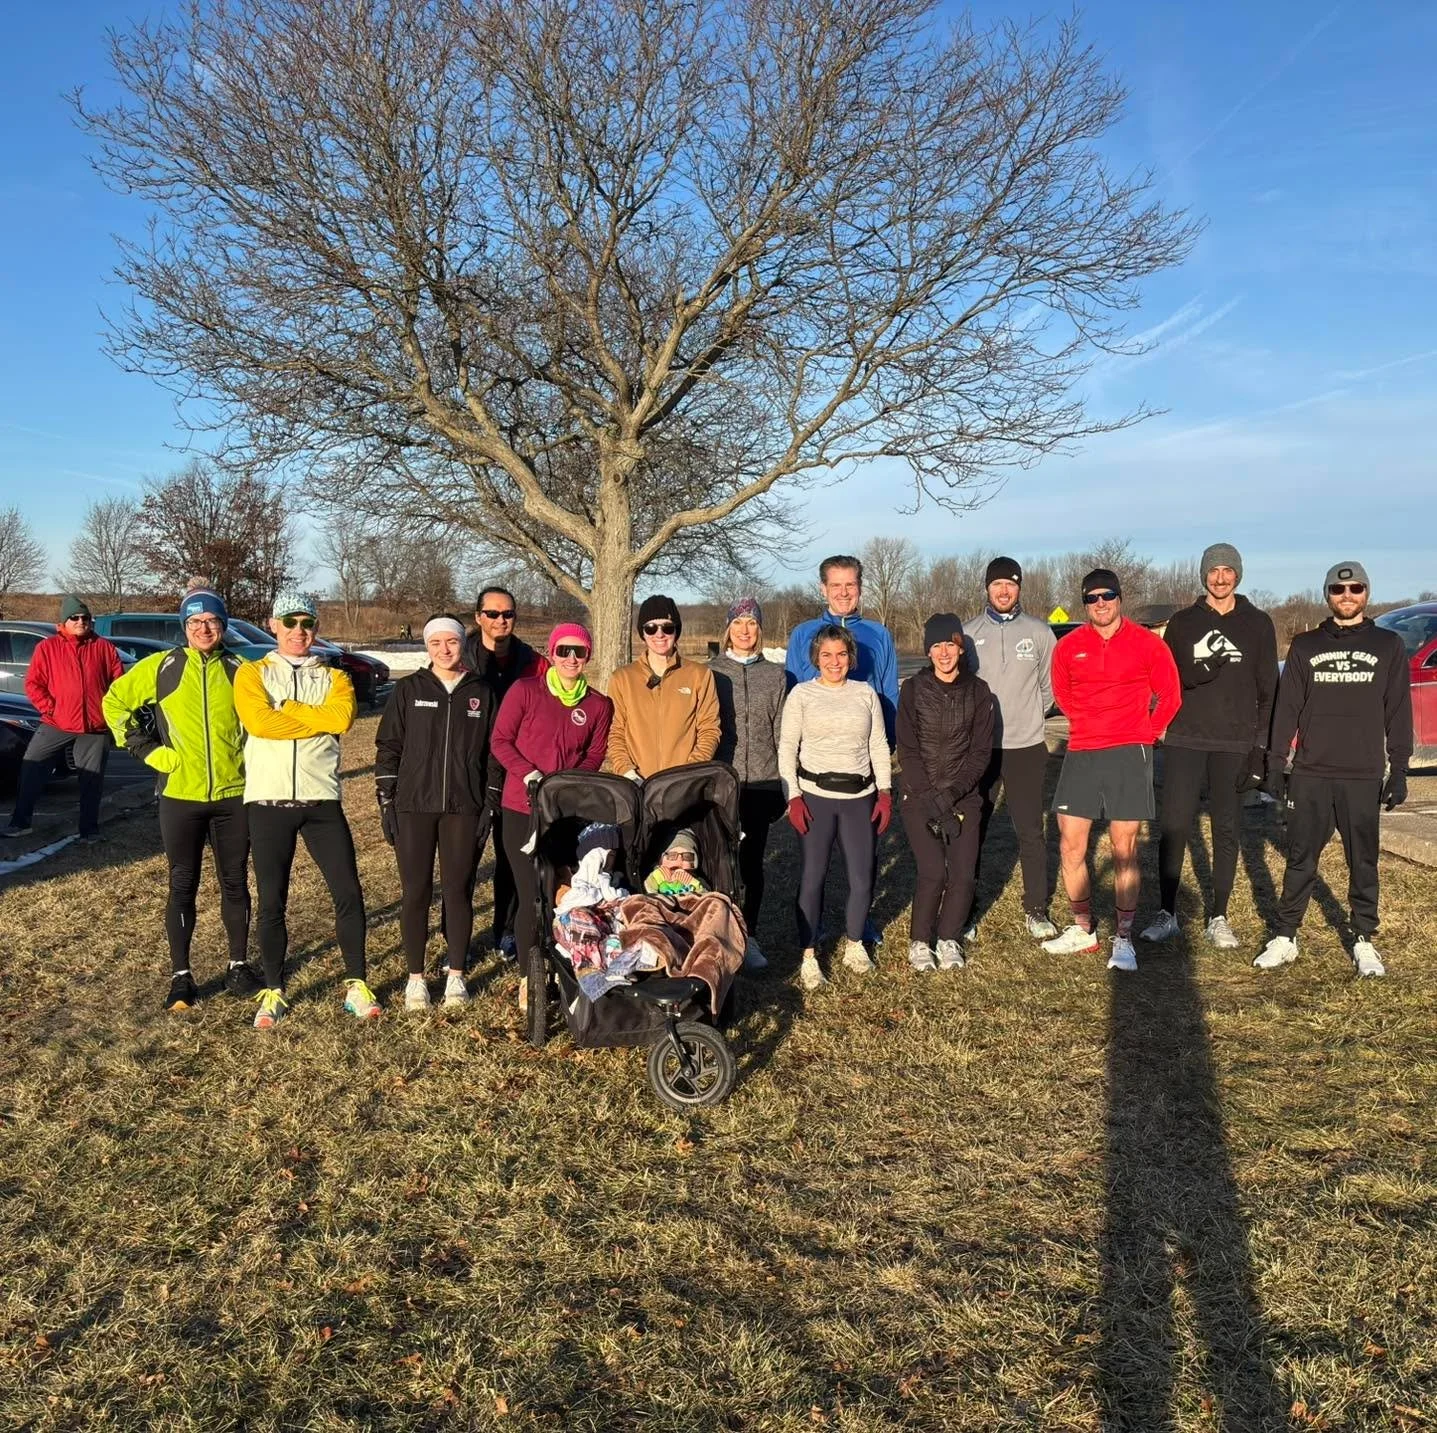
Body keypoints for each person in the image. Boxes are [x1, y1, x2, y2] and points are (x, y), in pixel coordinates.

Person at [102, 587, 259, 1010]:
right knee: (182, 884)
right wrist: (148, 750)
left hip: (233, 794)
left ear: (222, 626)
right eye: (194, 622)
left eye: (211, 622)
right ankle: (181, 976)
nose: (203, 629)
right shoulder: (162, 667)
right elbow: (114, 703)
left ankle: (238, 965)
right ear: (184, 628)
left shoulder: (240, 668)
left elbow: (265, 718)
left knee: (235, 881)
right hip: (180, 794)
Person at [1255, 561, 1412, 978]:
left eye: (1356, 589)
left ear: (1366, 593)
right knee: (1302, 856)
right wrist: (1275, 765)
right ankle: (1286, 935)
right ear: (1327, 595)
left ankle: (1363, 938)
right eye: (1339, 590)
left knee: (1363, 860)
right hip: (1311, 772)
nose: (1348, 596)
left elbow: (1398, 710)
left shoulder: (1388, 645)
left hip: (1362, 773)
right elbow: (1286, 711)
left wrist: (1399, 769)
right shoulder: (1305, 646)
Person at [233, 592, 380, 1028]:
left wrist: (289, 709)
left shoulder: (335, 676)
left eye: (308, 623)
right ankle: (274, 990)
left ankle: (356, 984)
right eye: (290, 621)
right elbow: (259, 723)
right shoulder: (251, 673)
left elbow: (340, 720)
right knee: (272, 899)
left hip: (321, 800)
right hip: (268, 800)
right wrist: (312, 716)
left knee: (348, 893)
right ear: (273, 624)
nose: (300, 631)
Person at [1042, 569, 1181, 972]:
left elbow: (1170, 695)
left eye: (1107, 595)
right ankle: (1083, 928)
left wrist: (1147, 733)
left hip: (1128, 751)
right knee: (1070, 842)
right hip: (1082, 749)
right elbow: (1064, 694)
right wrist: (1088, 723)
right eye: (1092, 598)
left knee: (1125, 847)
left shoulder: (1144, 643)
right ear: (1085, 604)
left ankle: (1123, 938)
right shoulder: (1069, 646)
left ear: (1119, 598)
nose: (1100, 603)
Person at [1142, 544, 1278, 950]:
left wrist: (1259, 749)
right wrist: (1195, 672)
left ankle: (1218, 916)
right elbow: (1165, 680)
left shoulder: (1258, 624)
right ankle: (1167, 913)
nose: (1220, 578)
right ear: (1203, 576)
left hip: (1234, 743)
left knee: (1226, 828)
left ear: (1238, 575)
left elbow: (1268, 692)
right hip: (1185, 738)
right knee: (1174, 825)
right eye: (1213, 571)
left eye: (1227, 571)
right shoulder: (1183, 622)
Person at [376, 615, 493, 1012]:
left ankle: (456, 975)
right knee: (416, 893)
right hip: (414, 807)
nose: (445, 650)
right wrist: (386, 800)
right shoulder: (408, 690)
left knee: (458, 891)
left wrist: (489, 803)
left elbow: (494, 755)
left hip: (464, 807)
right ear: (426, 647)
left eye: (452, 642)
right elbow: (389, 746)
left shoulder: (482, 692)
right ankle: (415, 979)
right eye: (436, 643)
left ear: (463, 644)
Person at [784, 555, 900, 946]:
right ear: (823, 589)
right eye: (836, 585)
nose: (844, 592)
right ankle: (810, 935)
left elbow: (888, 694)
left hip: (863, 764)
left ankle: (859, 924)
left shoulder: (878, 634)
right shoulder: (803, 634)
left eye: (850, 585)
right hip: (817, 767)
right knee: (814, 866)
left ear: (860, 587)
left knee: (863, 860)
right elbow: (796, 694)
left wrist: (883, 761)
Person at [489, 622, 614, 983]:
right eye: (564, 651)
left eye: (579, 651)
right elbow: (501, 740)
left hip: (564, 811)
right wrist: (527, 772)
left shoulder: (598, 704)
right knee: (532, 891)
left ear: (587, 655)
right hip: (522, 807)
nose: (571, 658)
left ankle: (564, 960)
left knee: (562, 889)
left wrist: (570, 783)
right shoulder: (526, 691)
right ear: (552, 653)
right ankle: (531, 975)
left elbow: (594, 754)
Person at [779, 623, 892, 991]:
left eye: (841, 654)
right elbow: (787, 749)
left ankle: (855, 943)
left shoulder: (864, 694)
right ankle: (810, 954)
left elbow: (878, 745)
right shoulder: (801, 695)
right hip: (815, 797)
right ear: (816, 658)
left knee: (862, 878)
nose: (834, 661)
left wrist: (885, 792)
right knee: (813, 878)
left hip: (859, 797)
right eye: (826, 655)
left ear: (851, 658)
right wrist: (793, 795)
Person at [962, 557, 1058, 941]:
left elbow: (1050, 688)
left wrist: (1031, 715)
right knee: (973, 831)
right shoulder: (968, 633)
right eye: (997, 584)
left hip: (1026, 747)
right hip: (981, 749)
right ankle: (965, 908)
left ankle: (1036, 909)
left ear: (1020, 588)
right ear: (986, 588)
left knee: (1031, 831)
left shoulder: (1038, 631)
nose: (1004, 591)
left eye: (1011, 584)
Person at [898, 613, 995, 973]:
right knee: (934, 871)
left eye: (950, 645)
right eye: (936, 645)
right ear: (928, 651)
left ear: (960, 648)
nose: (943, 653)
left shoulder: (979, 692)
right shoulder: (912, 689)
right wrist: (932, 801)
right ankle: (921, 941)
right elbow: (906, 750)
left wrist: (953, 794)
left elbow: (980, 753)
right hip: (919, 795)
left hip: (963, 796)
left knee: (963, 874)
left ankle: (948, 936)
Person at [462, 585, 547, 958]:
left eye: (508, 614)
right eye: (493, 614)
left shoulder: (531, 662)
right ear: (478, 616)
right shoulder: (459, 656)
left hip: (513, 769)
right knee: (462, 858)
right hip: (467, 768)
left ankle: (507, 929)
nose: (501, 620)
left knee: (511, 858)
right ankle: (457, 937)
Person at [2, 595, 122, 842]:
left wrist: (108, 714)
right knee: (32, 766)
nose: (81, 622)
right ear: (64, 621)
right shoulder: (47, 648)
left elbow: (118, 686)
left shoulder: (104, 648)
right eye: (75, 618)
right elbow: (34, 684)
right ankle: (21, 822)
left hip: (94, 727)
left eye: (85, 618)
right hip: (56, 723)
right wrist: (50, 708)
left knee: (91, 779)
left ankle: (89, 831)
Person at [709, 596, 785, 970]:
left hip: (763, 782)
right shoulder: (711, 673)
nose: (744, 630)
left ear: (759, 629)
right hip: (722, 782)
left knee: (753, 864)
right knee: (722, 862)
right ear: (728, 629)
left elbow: (783, 732)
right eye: (738, 623)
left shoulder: (775, 675)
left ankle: (749, 935)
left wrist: (784, 783)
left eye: (751, 624)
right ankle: (719, 935)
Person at [606, 595, 720, 780]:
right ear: (643, 633)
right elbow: (615, 731)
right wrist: (627, 772)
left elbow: (709, 729)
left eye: (667, 627)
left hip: (684, 784)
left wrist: (691, 772)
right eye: (651, 628)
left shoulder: (699, 675)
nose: (659, 635)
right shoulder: (622, 678)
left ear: (676, 632)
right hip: (636, 785)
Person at [644, 828, 708, 895]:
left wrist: (695, 886)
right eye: (672, 855)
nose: (679, 860)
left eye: (687, 856)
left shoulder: (699, 882)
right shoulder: (648, 876)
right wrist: (652, 883)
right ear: (661, 861)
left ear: (693, 864)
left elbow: (709, 901)